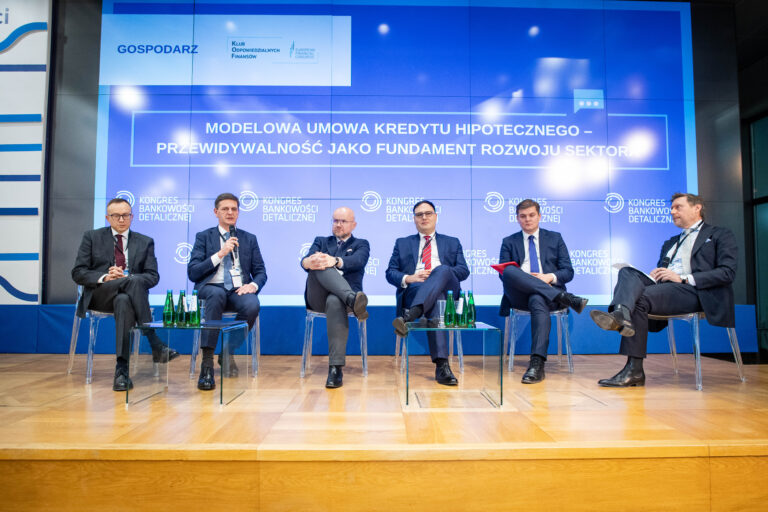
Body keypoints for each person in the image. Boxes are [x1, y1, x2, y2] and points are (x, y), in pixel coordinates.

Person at [591, 192, 738, 387]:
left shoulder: (719, 235)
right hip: (666, 289)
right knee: (627, 272)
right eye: (671, 208)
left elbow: (727, 273)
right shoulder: (670, 242)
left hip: (696, 291)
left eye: (678, 207)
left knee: (640, 299)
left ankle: (634, 368)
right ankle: (622, 314)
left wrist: (683, 278)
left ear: (697, 208)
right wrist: (657, 274)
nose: (672, 211)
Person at [72, 198, 179, 391]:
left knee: (124, 299)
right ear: (107, 218)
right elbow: (78, 272)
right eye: (116, 216)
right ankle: (154, 342)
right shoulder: (92, 237)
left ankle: (121, 371)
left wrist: (128, 278)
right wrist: (106, 277)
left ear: (132, 216)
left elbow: (153, 277)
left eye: (126, 215)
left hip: (129, 299)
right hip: (101, 295)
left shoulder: (145, 241)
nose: (121, 219)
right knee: (133, 282)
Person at [498, 199, 588, 384]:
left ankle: (537, 364)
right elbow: (504, 275)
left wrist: (549, 277)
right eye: (523, 216)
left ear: (539, 216)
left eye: (531, 215)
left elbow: (568, 271)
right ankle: (565, 298)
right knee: (509, 270)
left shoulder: (555, 238)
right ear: (517, 218)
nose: (527, 219)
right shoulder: (509, 241)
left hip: (546, 294)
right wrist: (527, 280)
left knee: (537, 298)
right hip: (519, 295)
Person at [187, 193, 267, 391]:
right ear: (216, 212)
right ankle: (207, 364)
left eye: (234, 209)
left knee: (252, 304)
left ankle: (227, 350)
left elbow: (260, 272)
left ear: (238, 212)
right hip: (211, 287)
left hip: (237, 289)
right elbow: (193, 272)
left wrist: (253, 285)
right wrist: (220, 253)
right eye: (225, 209)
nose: (230, 212)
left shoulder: (249, 238)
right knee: (216, 295)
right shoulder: (204, 237)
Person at [386, 200, 470, 386]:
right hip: (416, 288)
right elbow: (390, 273)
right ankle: (442, 365)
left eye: (428, 213)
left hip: (449, 290)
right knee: (437, 298)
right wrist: (410, 277)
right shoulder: (402, 243)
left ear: (436, 216)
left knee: (442, 270)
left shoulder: (452, 242)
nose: (424, 217)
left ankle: (411, 315)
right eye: (419, 214)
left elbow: (463, 271)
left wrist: (437, 274)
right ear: (414, 219)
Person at [301, 207, 370, 388]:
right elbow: (306, 260)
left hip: (339, 302)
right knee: (318, 262)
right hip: (318, 297)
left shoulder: (362, 244)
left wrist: (336, 261)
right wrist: (308, 262)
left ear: (353, 225)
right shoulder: (321, 241)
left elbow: (358, 261)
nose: (338, 225)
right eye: (335, 221)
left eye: (343, 221)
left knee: (334, 300)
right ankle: (352, 299)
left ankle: (335, 369)